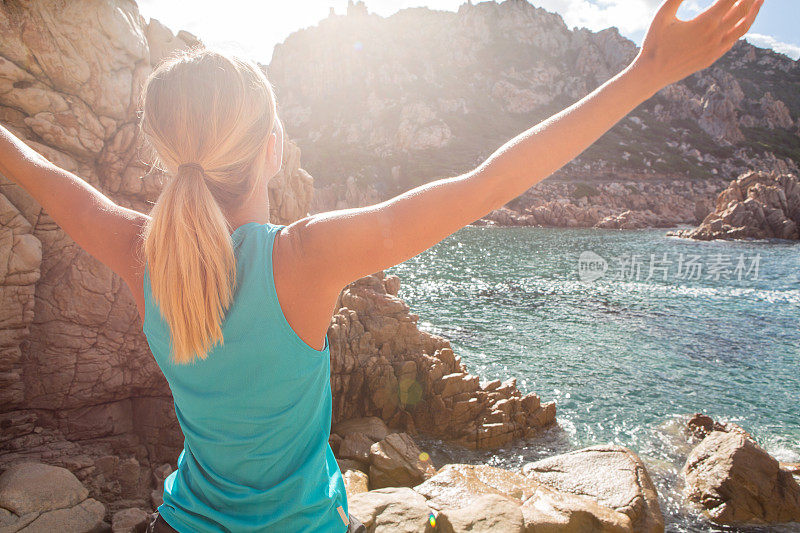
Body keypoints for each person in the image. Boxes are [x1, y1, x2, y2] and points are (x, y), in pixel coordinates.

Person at [0, 0, 762, 531]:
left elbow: (37, 169)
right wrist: (644, 73)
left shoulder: (139, 251)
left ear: (167, 154)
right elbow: (486, 183)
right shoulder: (304, 257)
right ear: (271, 147)